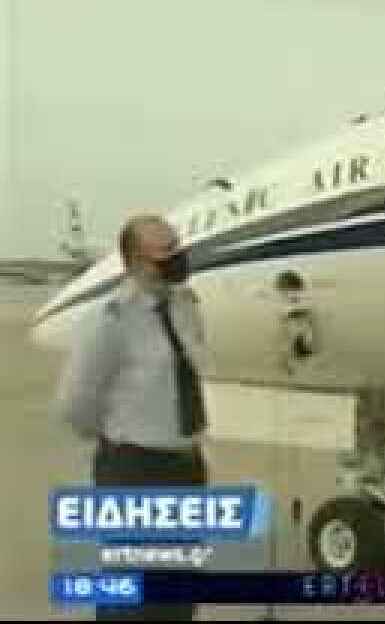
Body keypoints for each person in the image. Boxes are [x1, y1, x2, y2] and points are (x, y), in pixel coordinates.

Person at [54, 214, 209, 622]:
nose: (179, 256)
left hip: (186, 468)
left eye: (178, 245)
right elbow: (74, 401)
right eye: (167, 251)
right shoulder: (110, 319)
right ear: (138, 262)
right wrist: (117, 439)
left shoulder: (187, 307)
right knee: (131, 596)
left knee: (179, 592)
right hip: (134, 469)